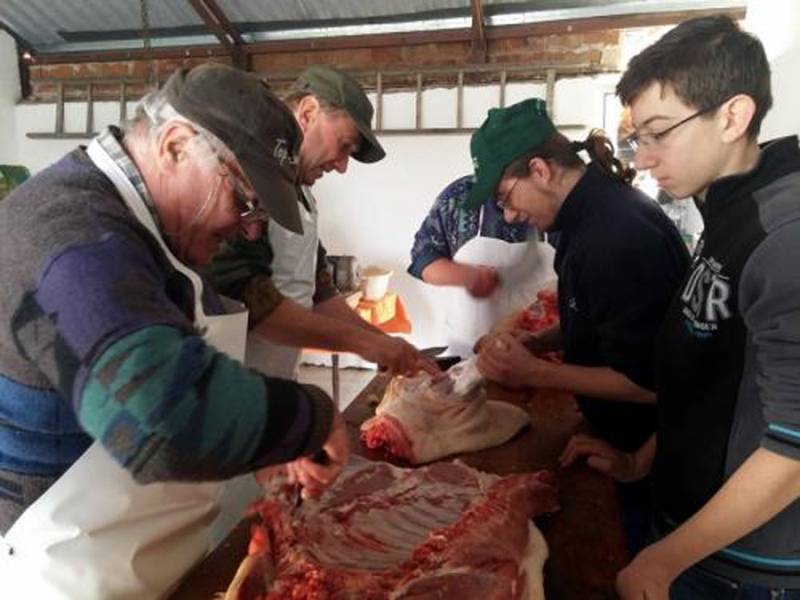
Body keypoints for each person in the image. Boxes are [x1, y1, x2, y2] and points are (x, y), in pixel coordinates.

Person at [0, 64, 349, 599]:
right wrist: (308, 419)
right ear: (175, 146)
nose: (251, 231)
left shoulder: (152, 231)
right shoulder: (74, 232)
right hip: (58, 571)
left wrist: (258, 444)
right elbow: (154, 420)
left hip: (138, 563)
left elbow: (184, 360)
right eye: (245, 201)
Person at [564, 15, 800, 599]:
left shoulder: (786, 234)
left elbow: (794, 446)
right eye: (638, 138)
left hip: (746, 569)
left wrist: (663, 560)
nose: (642, 158)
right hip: (691, 535)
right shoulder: (729, 207)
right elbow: (703, 378)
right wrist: (639, 462)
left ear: (732, 116)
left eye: (658, 133)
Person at [465, 98, 689, 554]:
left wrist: (535, 372)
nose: (509, 215)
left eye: (506, 198)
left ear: (540, 171)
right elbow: (595, 316)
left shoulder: (616, 236)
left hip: (651, 456)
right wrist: (540, 340)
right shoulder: (583, 218)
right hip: (611, 435)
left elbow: (648, 383)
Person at [208, 65, 437, 380]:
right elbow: (250, 300)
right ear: (308, 113)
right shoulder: (248, 186)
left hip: (277, 378)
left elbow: (320, 292)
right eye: (344, 146)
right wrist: (365, 344)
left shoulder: (302, 195)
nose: (342, 166)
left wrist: (385, 343)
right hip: (233, 380)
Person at [408, 174, 556, 358]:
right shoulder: (460, 195)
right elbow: (423, 260)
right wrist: (467, 276)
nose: (509, 215)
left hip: (544, 349)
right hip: (466, 348)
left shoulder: (554, 201)